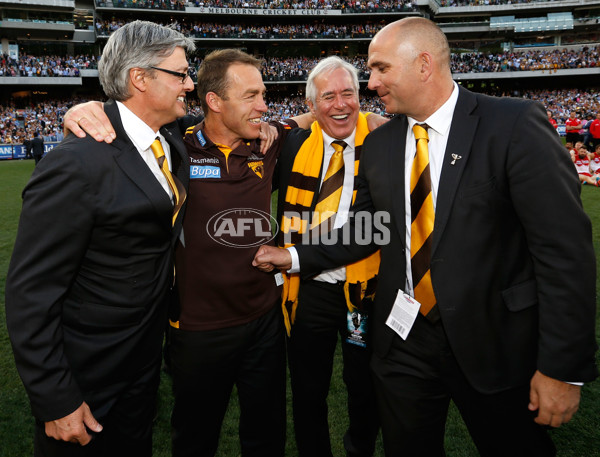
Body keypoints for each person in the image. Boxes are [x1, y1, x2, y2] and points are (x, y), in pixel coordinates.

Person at [253, 17, 598, 457]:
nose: (371, 82)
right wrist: (293, 257)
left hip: (492, 343)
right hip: (403, 344)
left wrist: (562, 369)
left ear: (423, 64)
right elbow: (367, 228)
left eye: (380, 68)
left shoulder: (512, 125)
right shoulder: (380, 146)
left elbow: (564, 252)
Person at [5, 20, 196, 457]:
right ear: (140, 78)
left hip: (143, 362)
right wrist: (56, 396)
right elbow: (31, 292)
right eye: (181, 73)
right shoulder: (75, 162)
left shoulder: (170, 142)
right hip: (87, 372)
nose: (189, 83)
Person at [275, 56, 380, 457]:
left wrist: (291, 256)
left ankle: (361, 451)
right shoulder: (291, 145)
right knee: (306, 387)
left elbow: (375, 229)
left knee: (365, 386)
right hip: (310, 291)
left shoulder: (385, 142)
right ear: (312, 106)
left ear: (360, 97)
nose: (340, 104)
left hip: (365, 287)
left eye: (348, 93)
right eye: (328, 97)